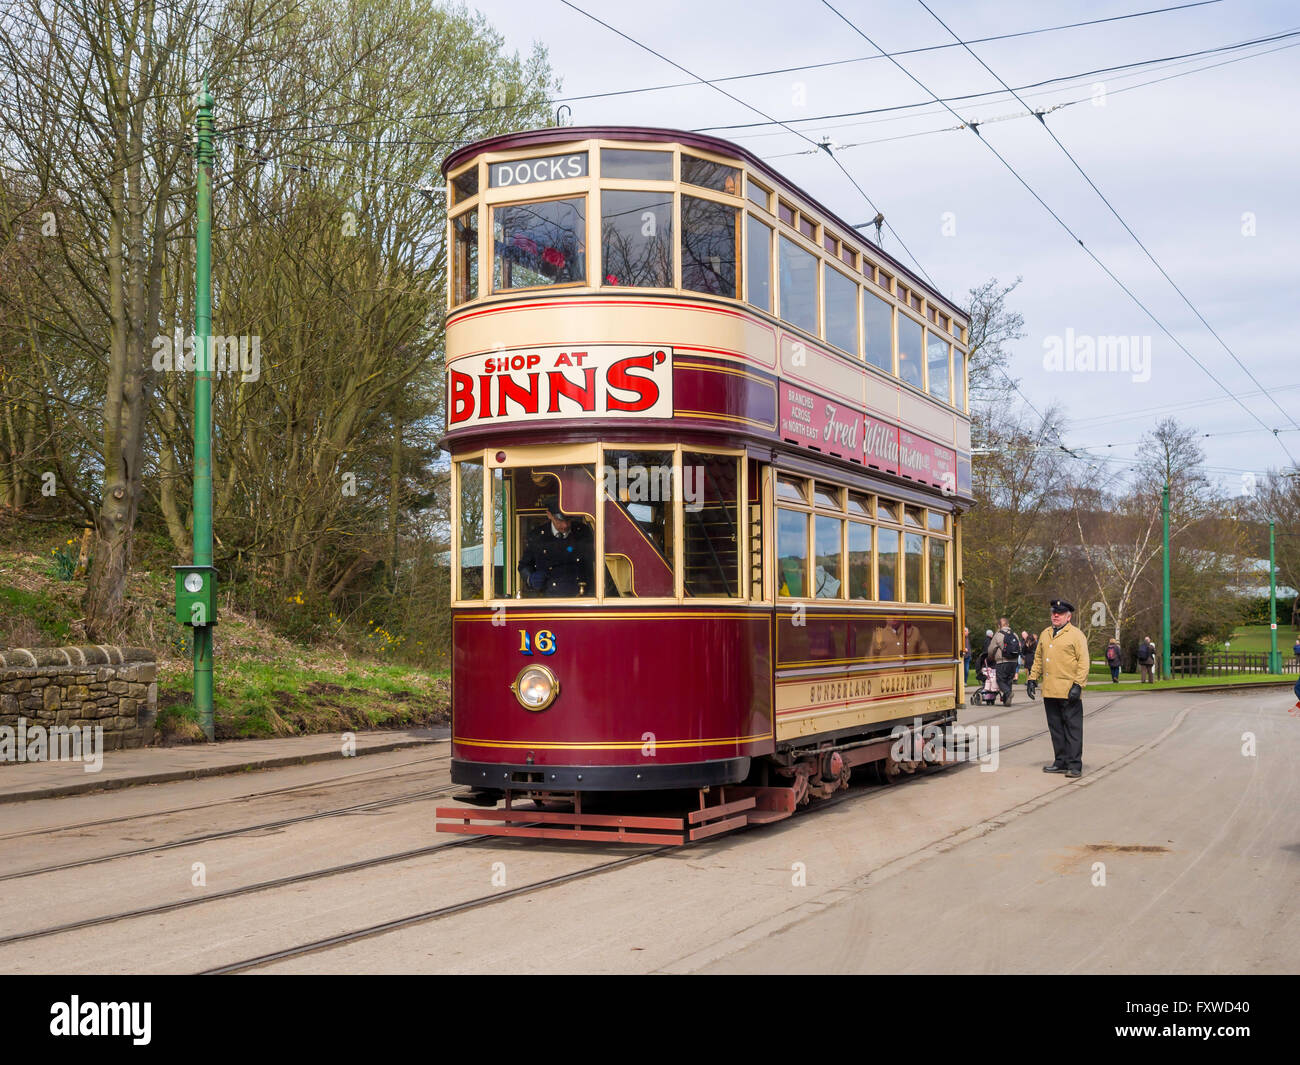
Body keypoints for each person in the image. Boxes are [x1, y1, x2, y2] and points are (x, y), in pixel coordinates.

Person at [1026, 598, 1090, 778]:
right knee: (1056, 728)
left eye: (1059, 613)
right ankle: (1060, 761)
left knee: (1073, 729)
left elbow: (1084, 663)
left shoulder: (1076, 635)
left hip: (1069, 691)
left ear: (1068, 617)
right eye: (1054, 612)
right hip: (1050, 690)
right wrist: (1032, 679)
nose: (1055, 615)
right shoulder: (1046, 633)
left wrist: (1078, 685)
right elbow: (1038, 658)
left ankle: (1074, 764)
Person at [517, 495, 594, 597]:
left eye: (568, 520)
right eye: (560, 520)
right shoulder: (537, 536)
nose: (565, 525)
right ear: (549, 515)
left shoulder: (583, 532)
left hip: (581, 596)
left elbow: (594, 561)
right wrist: (530, 578)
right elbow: (524, 566)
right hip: (549, 598)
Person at [989, 616, 1021, 706]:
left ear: (999, 625)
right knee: (1009, 680)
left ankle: (1007, 692)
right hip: (1014, 662)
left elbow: (991, 649)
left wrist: (990, 657)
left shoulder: (998, 634)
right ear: (1008, 624)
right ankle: (1007, 701)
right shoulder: (1015, 635)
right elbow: (1019, 647)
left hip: (1002, 661)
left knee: (1000, 680)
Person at [1021, 631, 1038, 696]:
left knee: (1032, 670)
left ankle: (1033, 682)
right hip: (1028, 659)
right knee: (1029, 670)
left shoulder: (1035, 644)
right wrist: (1026, 646)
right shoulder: (1026, 644)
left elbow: (1036, 651)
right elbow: (1023, 652)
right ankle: (1032, 682)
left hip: (1032, 658)